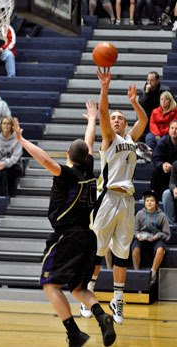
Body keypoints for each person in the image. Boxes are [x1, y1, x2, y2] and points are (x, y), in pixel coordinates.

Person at [13, 102, 116, 347]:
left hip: (68, 237)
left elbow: (47, 160)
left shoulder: (67, 175)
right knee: (79, 289)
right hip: (88, 238)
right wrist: (91, 119)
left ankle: (74, 333)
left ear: (68, 154)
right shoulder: (90, 169)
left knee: (49, 284)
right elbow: (88, 144)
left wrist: (22, 141)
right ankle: (102, 318)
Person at [83, 68, 148, 325]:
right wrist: (105, 88)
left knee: (121, 253)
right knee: (98, 251)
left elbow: (142, 121)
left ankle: (117, 299)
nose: (118, 119)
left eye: (121, 117)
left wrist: (134, 102)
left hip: (128, 200)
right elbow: (102, 115)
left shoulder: (131, 139)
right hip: (108, 198)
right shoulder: (108, 138)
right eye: (115, 117)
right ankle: (88, 293)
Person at [131, 190, 170, 285]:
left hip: (156, 239)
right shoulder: (139, 214)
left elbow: (167, 233)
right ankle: (136, 272)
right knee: (135, 248)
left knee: (160, 250)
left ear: (156, 203)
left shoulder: (162, 216)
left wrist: (158, 236)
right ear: (144, 202)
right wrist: (138, 236)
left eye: (152, 200)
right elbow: (135, 230)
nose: (149, 202)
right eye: (147, 200)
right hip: (142, 239)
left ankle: (153, 272)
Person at [138, 71, 173, 139]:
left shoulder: (165, 90)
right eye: (148, 80)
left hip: (163, 119)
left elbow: (173, 104)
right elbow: (140, 106)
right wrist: (146, 93)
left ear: (157, 81)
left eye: (152, 80)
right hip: (148, 119)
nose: (149, 82)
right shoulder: (143, 91)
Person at [150, 120, 177, 200]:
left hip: (176, 172)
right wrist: (162, 165)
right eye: (172, 128)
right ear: (168, 130)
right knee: (156, 171)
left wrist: (174, 167)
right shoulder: (162, 142)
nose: (174, 130)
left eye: (176, 128)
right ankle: (152, 195)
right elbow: (155, 158)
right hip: (166, 171)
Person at [162, 160, 177, 224]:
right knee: (166, 194)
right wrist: (174, 189)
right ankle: (171, 224)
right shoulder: (176, 164)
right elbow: (172, 182)